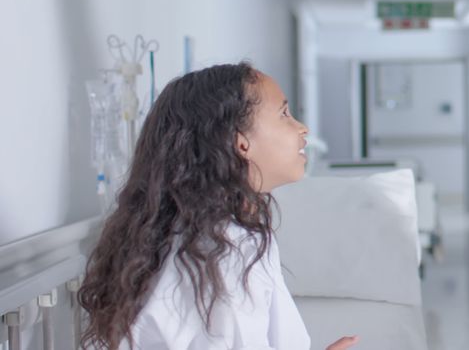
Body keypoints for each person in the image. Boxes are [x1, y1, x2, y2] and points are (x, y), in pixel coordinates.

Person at [79, 63, 358, 350]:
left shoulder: (193, 237)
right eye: (284, 114)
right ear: (241, 143)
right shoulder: (224, 249)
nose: (302, 128)